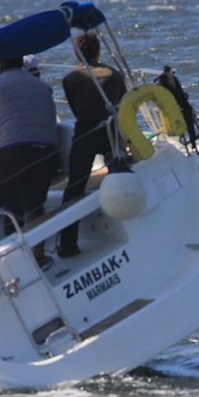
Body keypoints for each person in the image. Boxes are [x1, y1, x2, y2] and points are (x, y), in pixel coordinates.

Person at [0, 56, 60, 252]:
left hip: (15, 149)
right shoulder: (42, 86)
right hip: (47, 150)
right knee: (34, 206)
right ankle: (39, 255)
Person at [58, 32, 127, 258]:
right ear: (98, 52)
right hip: (111, 135)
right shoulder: (114, 75)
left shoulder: (69, 80)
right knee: (123, 176)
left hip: (85, 134)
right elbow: (122, 106)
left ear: (77, 54)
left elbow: (76, 111)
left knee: (74, 189)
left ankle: (68, 246)